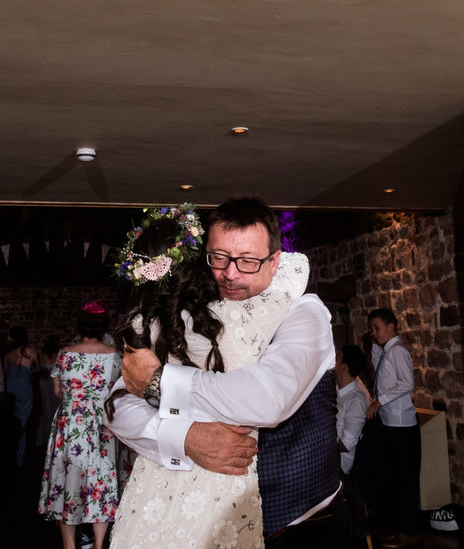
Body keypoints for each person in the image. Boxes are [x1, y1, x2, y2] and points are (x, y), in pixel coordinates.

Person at [107, 196, 342, 547]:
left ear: (275, 261)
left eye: (247, 261)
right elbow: (117, 406)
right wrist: (185, 438)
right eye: (219, 258)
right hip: (204, 527)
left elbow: (267, 400)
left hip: (296, 525)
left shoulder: (304, 314)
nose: (230, 274)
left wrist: (159, 381)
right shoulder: (191, 315)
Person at [38, 302, 120, 549]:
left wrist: (78, 401)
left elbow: (57, 392)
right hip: (104, 425)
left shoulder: (65, 354)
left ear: (80, 325)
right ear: (104, 326)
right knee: (101, 483)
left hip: (72, 424)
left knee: (68, 483)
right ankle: (97, 544)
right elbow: (121, 392)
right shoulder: (116, 356)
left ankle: (69, 546)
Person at [362, 308, 421, 548]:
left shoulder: (398, 351)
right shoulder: (387, 351)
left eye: (377, 328)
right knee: (395, 479)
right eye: (372, 329)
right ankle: (400, 529)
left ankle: (409, 532)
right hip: (390, 424)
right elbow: (380, 372)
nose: (373, 333)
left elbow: (407, 384)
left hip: (402, 425)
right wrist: (375, 346)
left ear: (391, 326)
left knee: (406, 480)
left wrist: (379, 401)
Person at [335, 344, 372, 547]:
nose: (334, 361)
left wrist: (322, 447)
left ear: (345, 367)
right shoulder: (334, 392)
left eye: (337, 358)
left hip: (341, 465)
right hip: (329, 458)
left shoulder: (356, 399)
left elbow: (347, 443)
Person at [3, 326, 37, 467]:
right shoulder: (31, 351)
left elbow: (4, 375)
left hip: (11, 388)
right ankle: (20, 457)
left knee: (12, 420)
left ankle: (12, 453)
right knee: (23, 422)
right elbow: (37, 371)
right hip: (25, 388)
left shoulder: (7, 353)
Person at [34, 335, 61, 449]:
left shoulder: (44, 354)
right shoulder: (58, 354)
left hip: (46, 381)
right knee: (52, 409)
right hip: (52, 381)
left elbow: (40, 369)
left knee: (47, 409)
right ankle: (51, 438)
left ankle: (45, 439)